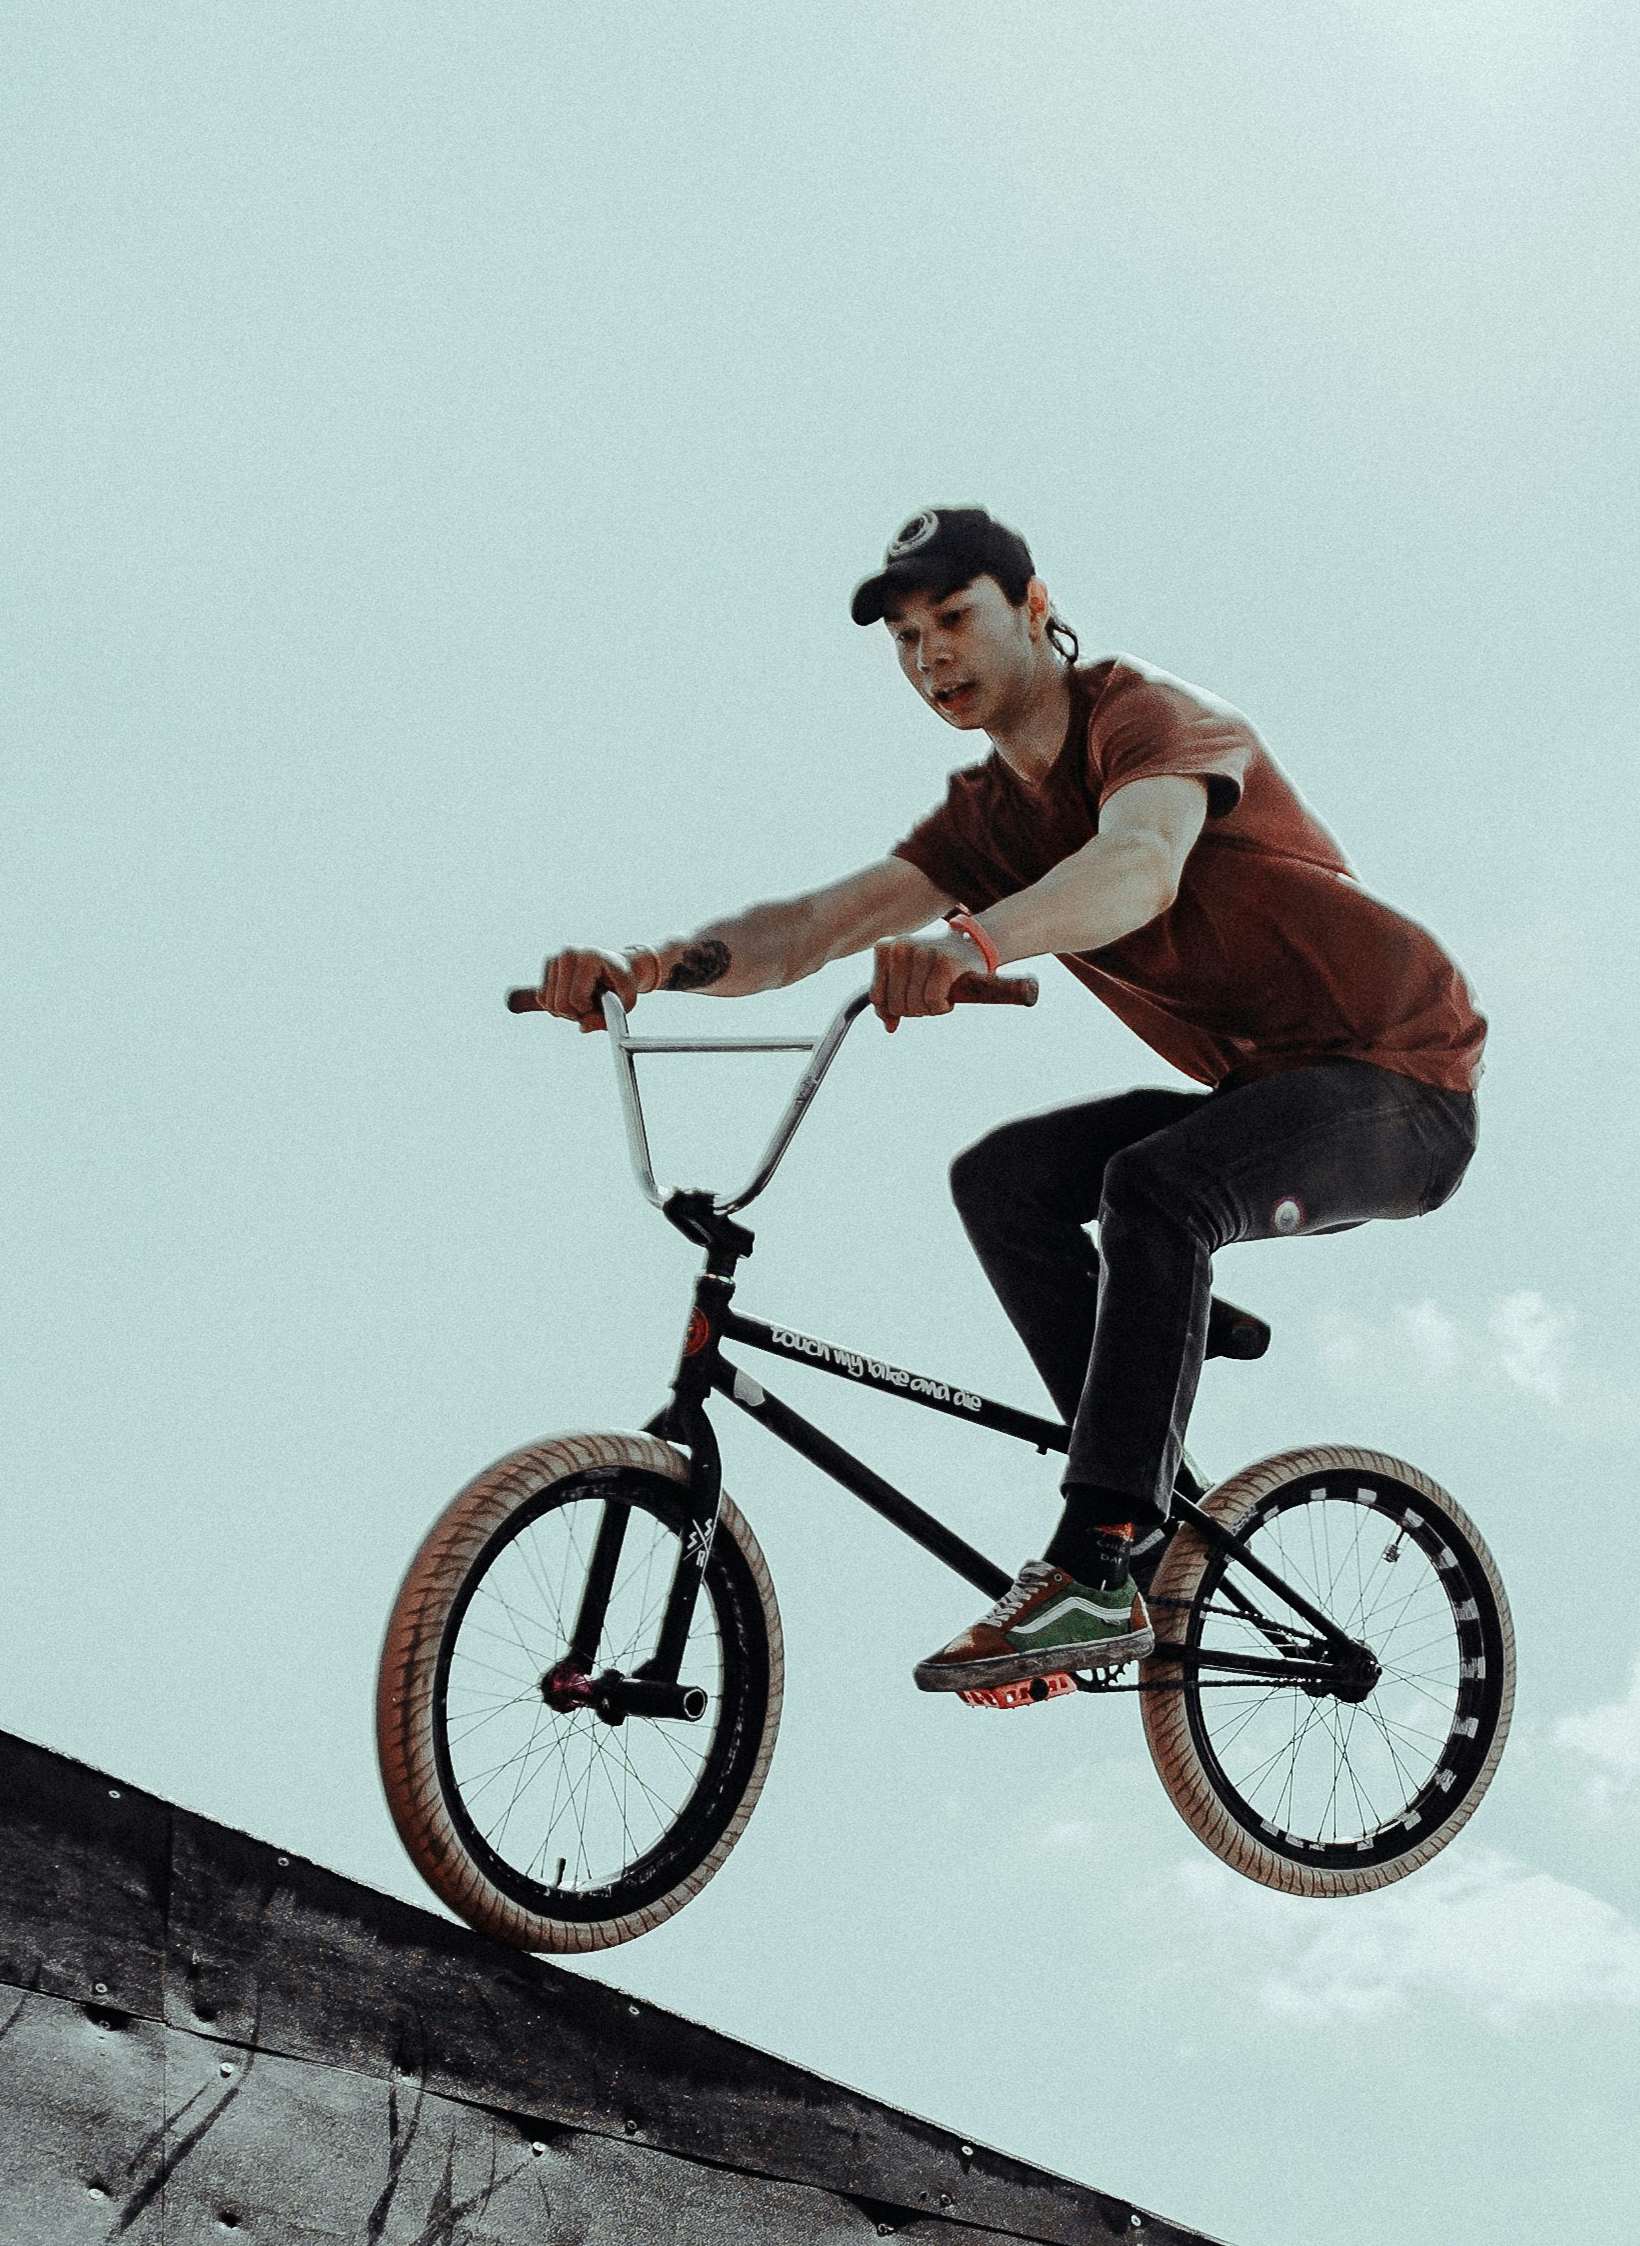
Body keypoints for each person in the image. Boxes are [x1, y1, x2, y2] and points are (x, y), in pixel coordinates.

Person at [530, 506, 1486, 1703]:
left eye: (955, 619)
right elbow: (818, 924)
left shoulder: (1151, 720)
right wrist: (653, 965)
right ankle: (1156, 1425)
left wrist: (972, 941)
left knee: (1157, 1186)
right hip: (1265, 1091)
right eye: (906, 639)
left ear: (1035, 611)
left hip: (1403, 1077)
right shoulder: (985, 818)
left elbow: (1139, 866)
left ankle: (1099, 1556)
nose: (931, 656)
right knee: (1004, 1178)